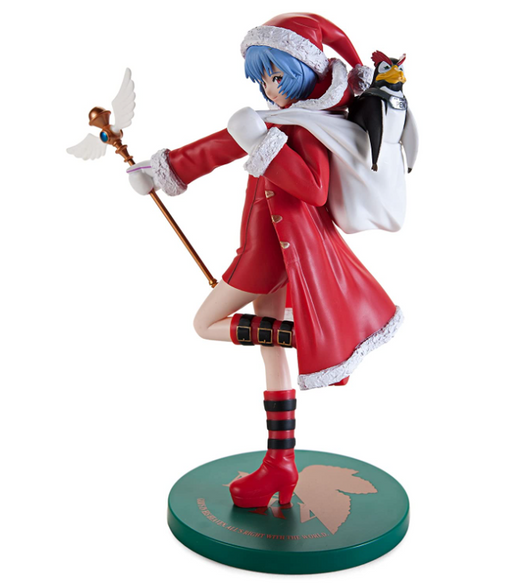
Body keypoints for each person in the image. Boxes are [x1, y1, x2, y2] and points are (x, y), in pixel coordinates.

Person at [127, 13, 403, 509]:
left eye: (277, 76)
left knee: (205, 324)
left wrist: (262, 144)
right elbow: (218, 147)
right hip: (277, 253)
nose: (270, 88)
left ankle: (313, 338)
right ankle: (280, 462)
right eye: (263, 79)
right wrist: (161, 170)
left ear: (305, 71)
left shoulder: (311, 128)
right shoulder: (281, 122)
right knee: (270, 355)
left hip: (269, 259)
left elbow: (314, 189)